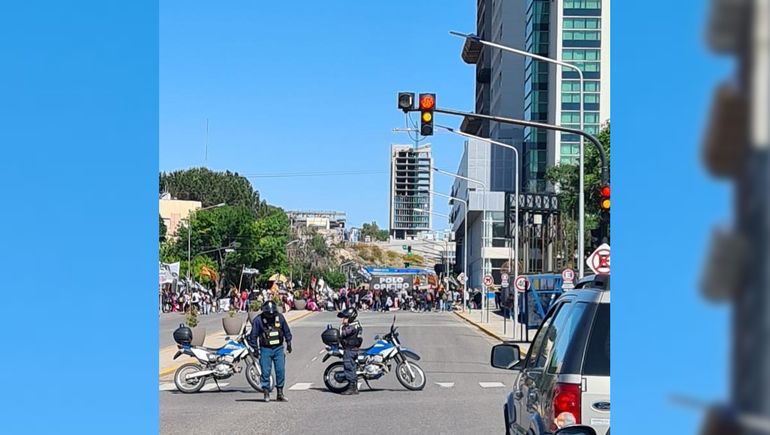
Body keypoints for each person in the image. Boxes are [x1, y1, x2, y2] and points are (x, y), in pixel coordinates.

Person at [249, 301, 293, 402]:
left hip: (278, 348)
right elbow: (253, 335)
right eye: (269, 313)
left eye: (272, 313)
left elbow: (286, 331)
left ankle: (280, 393)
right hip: (265, 349)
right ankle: (266, 392)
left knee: (280, 370)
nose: (271, 316)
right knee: (265, 372)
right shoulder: (258, 320)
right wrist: (255, 349)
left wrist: (289, 343)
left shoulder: (280, 317)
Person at [337, 307, 362, 395]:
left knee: (349, 368)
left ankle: (352, 388)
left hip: (350, 350)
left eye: (345, 317)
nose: (343, 319)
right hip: (353, 349)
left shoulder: (352, 327)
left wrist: (341, 326)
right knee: (352, 368)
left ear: (351, 317)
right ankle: (353, 387)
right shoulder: (356, 324)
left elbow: (342, 334)